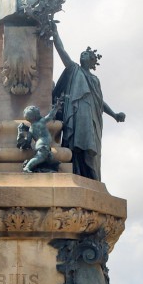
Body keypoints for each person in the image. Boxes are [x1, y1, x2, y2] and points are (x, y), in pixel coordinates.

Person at [51, 24, 125, 181]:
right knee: (75, 145)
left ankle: (90, 176)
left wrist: (114, 115)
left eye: (86, 54)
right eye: (82, 53)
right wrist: (55, 34)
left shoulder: (95, 79)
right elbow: (62, 52)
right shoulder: (73, 69)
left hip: (91, 117)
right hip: (76, 113)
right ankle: (76, 172)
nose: (82, 55)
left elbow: (100, 101)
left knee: (90, 147)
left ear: (92, 61)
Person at [17, 98, 62, 173]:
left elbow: (28, 142)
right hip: (43, 144)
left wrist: (22, 137)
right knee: (40, 157)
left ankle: (51, 163)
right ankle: (27, 167)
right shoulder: (41, 122)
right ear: (36, 115)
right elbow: (50, 116)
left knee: (48, 157)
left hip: (38, 145)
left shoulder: (31, 129)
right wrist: (56, 108)